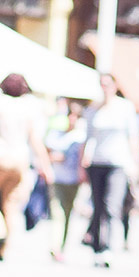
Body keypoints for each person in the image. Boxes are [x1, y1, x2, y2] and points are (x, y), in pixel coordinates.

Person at [0, 74, 51, 261]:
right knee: (11, 205)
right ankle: (7, 247)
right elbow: (35, 139)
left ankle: (0, 233)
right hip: (21, 160)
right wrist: (45, 165)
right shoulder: (28, 109)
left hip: (0, 157)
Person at [81, 73, 139, 267]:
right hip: (97, 162)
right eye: (102, 84)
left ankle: (109, 248)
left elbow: (133, 137)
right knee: (98, 207)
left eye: (107, 84)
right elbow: (87, 138)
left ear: (115, 86)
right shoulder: (93, 109)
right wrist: (82, 164)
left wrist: (136, 163)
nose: (104, 88)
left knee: (112, 206)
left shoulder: (125, 108)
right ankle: (98, 247)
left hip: (118, 163)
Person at [45, 103, 86, 260]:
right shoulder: (57, 134)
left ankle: (61, 247)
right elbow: (47, 152)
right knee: (57, 213)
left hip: (74, 180)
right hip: (57, 178)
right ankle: (55, 246)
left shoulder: (81, 137)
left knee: (68, 214)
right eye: (71, 115)